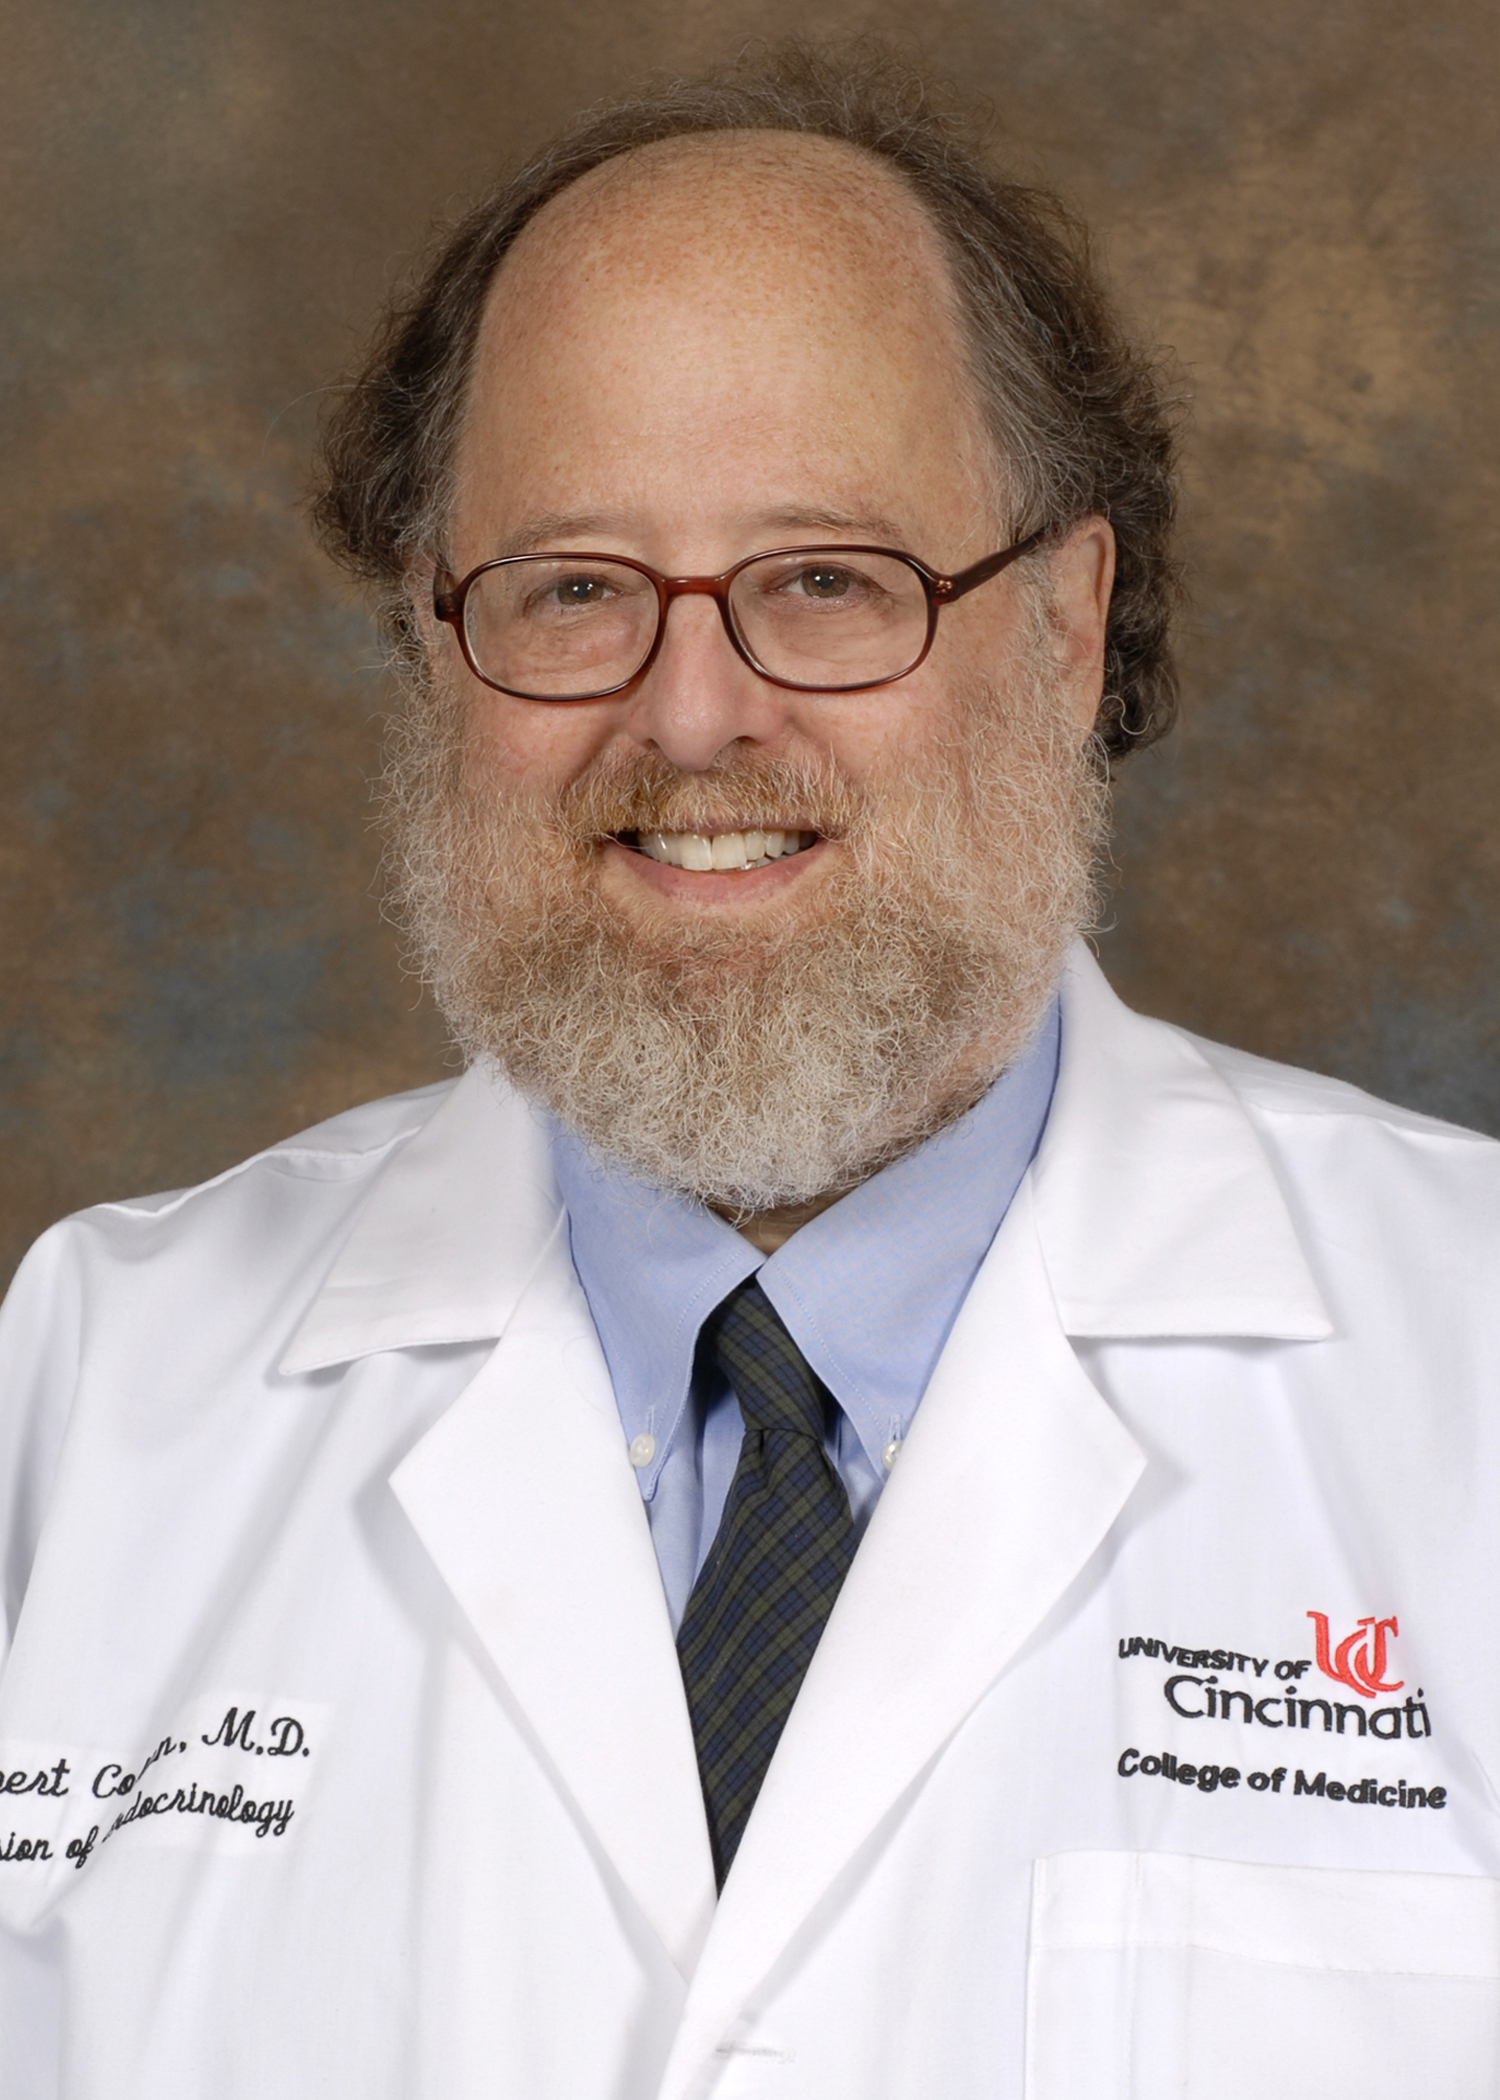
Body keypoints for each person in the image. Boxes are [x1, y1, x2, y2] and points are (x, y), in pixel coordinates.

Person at [2, 42, 1498, 2100]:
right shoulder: (92, 1390)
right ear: (441, 655)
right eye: (572, 590)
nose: (692, 715)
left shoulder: (1466, 1369)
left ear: (1065, 626)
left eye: (824, 580)